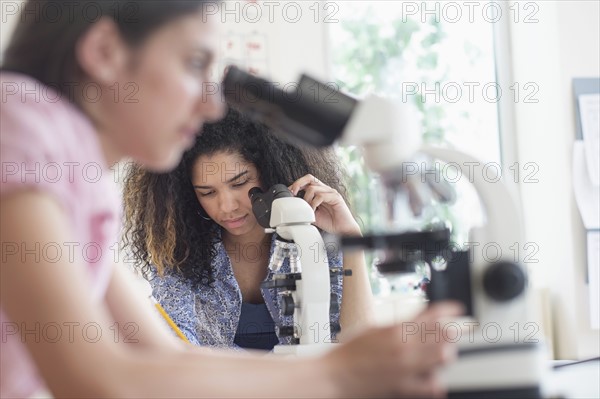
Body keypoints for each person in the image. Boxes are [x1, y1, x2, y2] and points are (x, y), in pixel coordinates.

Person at [0, 1, 463, 398]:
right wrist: (341, 371)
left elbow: (164, 361)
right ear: (104, 52)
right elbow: (98, 380)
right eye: (195, 63)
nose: (212, 105)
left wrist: (352, 368)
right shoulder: (17, 128)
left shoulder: (81, 181)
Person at [122, 107, 374, 350]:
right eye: (207, 192)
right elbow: (177, 354)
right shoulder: (180, 255)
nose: (227, 206)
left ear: (272, 172)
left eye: (240, 183)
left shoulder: (311, 240)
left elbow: (359, 347)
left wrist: (351, 237)